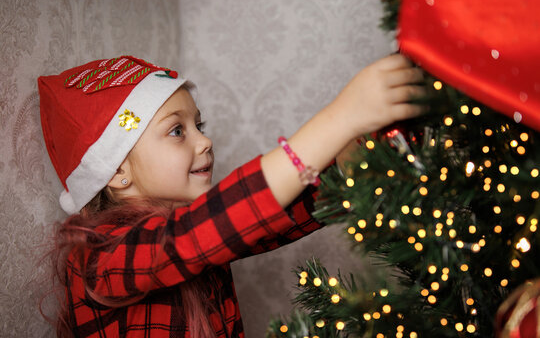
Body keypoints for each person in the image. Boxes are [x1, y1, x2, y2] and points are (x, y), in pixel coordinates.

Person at [38, 54, 426, 337]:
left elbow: (269, 220)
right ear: (118, 171)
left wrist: (352, 159)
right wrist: (341, 117)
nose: (205, 141)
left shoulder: (201, 237)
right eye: (178, 131)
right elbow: (204, 230)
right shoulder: (100, 256)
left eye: (199, 125)